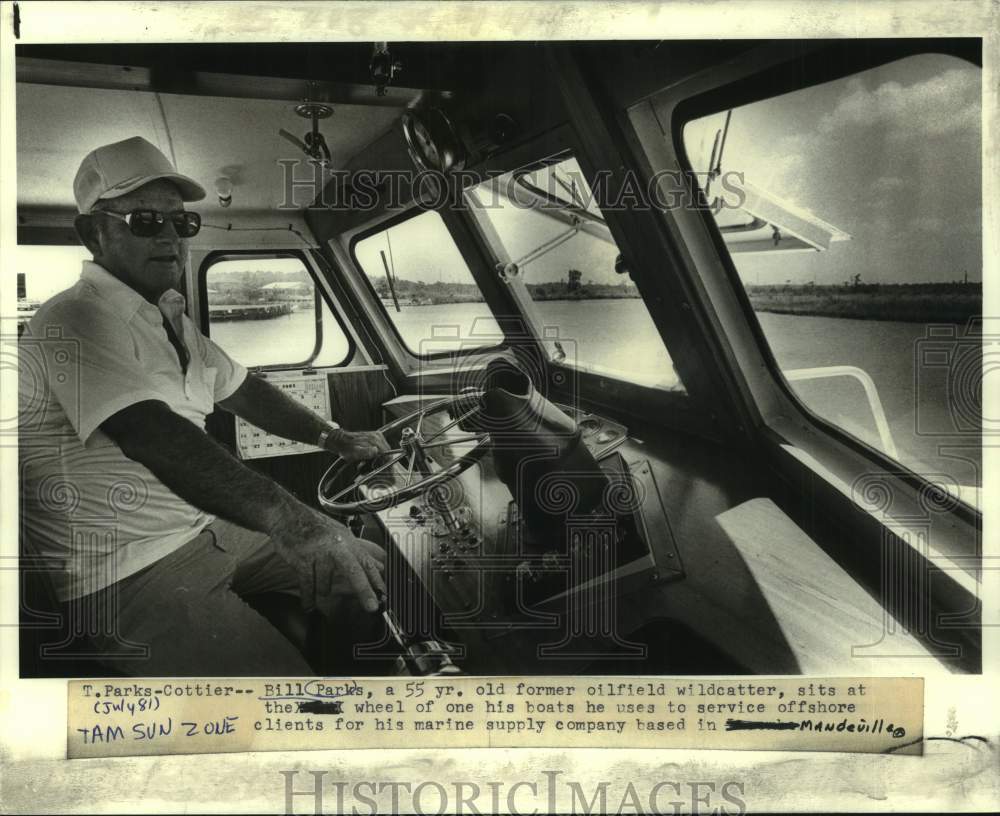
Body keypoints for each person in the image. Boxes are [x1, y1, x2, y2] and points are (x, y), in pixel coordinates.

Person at [18, 136, 390, 676]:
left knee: (362, 572)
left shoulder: (167, 317)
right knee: (284, 704)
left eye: (181, 223)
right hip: (126, 568)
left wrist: (334, 438)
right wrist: (292, 518)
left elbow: (242, 388)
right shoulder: (72, 320)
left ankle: (348, 691)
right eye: (145, 221)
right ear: (93, 232)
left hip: (202, 528)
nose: (170, 237)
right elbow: (151, 435)